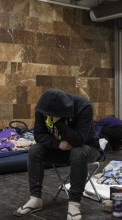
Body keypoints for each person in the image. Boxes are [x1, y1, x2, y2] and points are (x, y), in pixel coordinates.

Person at [13, 88, 103, 220]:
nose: (47, 117)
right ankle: (35, 198)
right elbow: (38, 135)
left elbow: (79, 140)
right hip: (62, 149)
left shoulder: (84, 107)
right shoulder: (43, 108)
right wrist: (58, 144)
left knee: (78, 151)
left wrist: (59, 122)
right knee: (35, 150)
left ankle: (74, 203)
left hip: (88, 148)